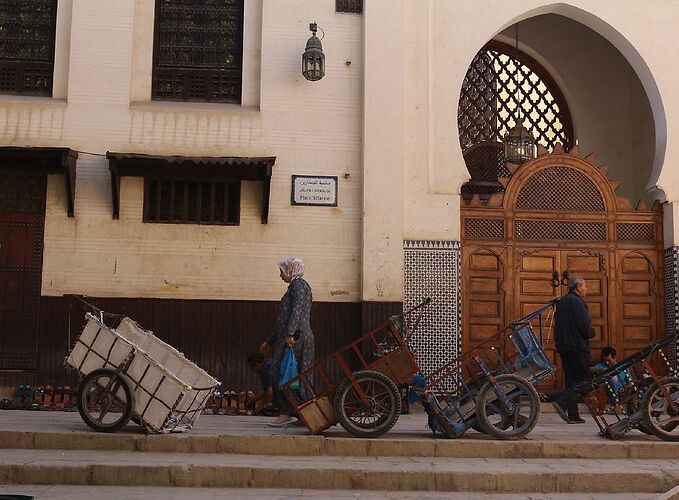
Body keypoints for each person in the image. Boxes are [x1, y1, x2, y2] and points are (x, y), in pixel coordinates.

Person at [259, 257, 314, 427]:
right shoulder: (297, 287)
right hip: (294, 337)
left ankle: (286, 412)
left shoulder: (299, 286)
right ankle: (300, 413)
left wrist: (290, 334)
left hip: (296, 339)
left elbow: (296, 311)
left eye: (282, 271)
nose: (280, 275)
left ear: (291, 270)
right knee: (296, 375)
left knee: (281, 373)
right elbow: (285, 319)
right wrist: (270, 340)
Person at [551, 277, 595, 424]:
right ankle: (561, 401)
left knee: (571, 380)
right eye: (585, 286)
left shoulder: (562, 302)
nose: (586, 289)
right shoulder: (578, 302)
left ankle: (573, 415)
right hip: (577, 347)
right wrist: (591, 333)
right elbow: (583, 324)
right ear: (578, 287)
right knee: (584, 380)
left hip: (564, 347)